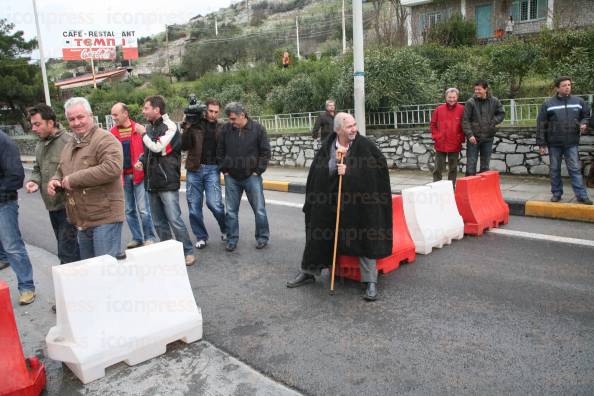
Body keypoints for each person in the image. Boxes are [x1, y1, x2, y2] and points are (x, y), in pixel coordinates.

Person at [286, 113, 393, 301]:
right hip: (329, 200)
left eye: (354, 125)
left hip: (358, 202)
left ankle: (369, 281)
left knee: (365, 232)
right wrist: (334, 165)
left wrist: (351, 171)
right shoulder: (328, 147)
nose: (354, 129)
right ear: (338, 130)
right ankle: (309, 271)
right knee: (318, 230)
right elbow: (317, 174)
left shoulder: (365, 146)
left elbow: (378, 171)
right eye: (349, 126)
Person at [47, 97, 125, 260]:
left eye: (80, 117)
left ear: (90, 115)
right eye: (71, 119)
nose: (76, 123)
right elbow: (62, 169)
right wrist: (55, 180)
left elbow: (112, 168)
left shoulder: (106, 139)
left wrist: (73, 180)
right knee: (91, 273)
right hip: (82, 220)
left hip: (105, 218)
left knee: (105, 271)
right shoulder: (70, 145)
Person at [136, 95, 195, 265]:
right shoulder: (149, 127)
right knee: (159, 222)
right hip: (151, 182)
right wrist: (141, 161)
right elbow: (148, 151)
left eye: (146, 108)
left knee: (174, 219)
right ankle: (168, 253)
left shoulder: (170, 127)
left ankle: (187, 251)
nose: (143, 111)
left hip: (167, 181)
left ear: (157, 109)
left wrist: (142, 134)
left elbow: (157, 147)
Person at [25, 104, 80, 264]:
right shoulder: (40, 144)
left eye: (37, 124)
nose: (34, 128)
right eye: (32, 125)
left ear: (51, 123)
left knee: (67, 252)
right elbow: (37, 168)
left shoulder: (68, 142)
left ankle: (75, 285)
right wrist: (34, 181)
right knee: (68, 249)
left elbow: (78, 172)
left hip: (69, 206)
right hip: (52, 207)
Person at [217, 102, 271, 252]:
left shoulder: (258, 129)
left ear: (242, 115)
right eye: (229, 119)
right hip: (231, 177)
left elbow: (265, 152)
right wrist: (225, 170)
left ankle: (262, 237)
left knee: (259, 209)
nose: (231, 122)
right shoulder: (226, 129)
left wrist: (258, 171)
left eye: (233, 119)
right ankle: (232, 239)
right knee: (231, 211)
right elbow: (219, 151)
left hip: (252, 177)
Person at [536, 76, 592, 204]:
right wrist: (541, 143)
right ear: (557, 88)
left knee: (575, 169)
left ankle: (582, 196)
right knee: (555, 169)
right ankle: (556, 193)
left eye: (569, 85)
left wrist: (584, 123)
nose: (567, 87)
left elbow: (586, 116)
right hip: (554, 143)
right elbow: (541, 124)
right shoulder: (548, 104)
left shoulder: (578, 101)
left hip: (571, 142)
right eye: (564, 85)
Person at [181, 99, 227, 249]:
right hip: (194, 169)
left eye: (216, 112)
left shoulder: (222, 127)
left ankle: (226, 229)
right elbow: (184, 145)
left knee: (215, 204)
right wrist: (187, 126)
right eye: (210, 111)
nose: (213, 114)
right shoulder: (195, 124)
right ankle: (201, 236)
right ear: (205, 110)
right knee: (194, 207)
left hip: (213, 169)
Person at [110, 102, 157, 249]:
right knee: (129, 210)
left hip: (139, 176)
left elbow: (149, 150)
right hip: (123, 178)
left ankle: (149, 236)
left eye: (116, 115)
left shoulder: (140, 129)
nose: (113, 118)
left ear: (125, 113)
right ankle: (137, 237)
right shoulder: (112, 133)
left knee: (143, 209)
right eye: (112, 115)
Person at [0, 129, 36, 304]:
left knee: (12, 245)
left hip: (4, 203)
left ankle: (26, 287)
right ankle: (2, 258)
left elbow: (16, 176)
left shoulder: (4, 142)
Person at [462, 80, 505, 176]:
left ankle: (483, 188)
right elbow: (465, 120)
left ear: (486, 89)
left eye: (479, 89)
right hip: (474, 138)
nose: (476, 91)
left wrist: (493, 121)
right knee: (471, 164)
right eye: (475, 89)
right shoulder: (470, 102)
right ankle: (470, 187)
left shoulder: (495, 101)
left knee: (485, 165)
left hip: (488, 137)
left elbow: (501, 114)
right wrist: (469, 135)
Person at [430, 88, 465, 185]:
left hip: (455, 143)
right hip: (440, 143)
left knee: (453, 168)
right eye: (449, 97)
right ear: (446, 97)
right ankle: (436, 185)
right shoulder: (438, 109)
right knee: (438, 168)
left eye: (454, 97)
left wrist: (460, 138)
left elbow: (465, 125)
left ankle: (451, 187)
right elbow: (433, 125)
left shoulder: (462, 109)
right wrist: (437, 137)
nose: (452, 99)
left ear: (457, 97)